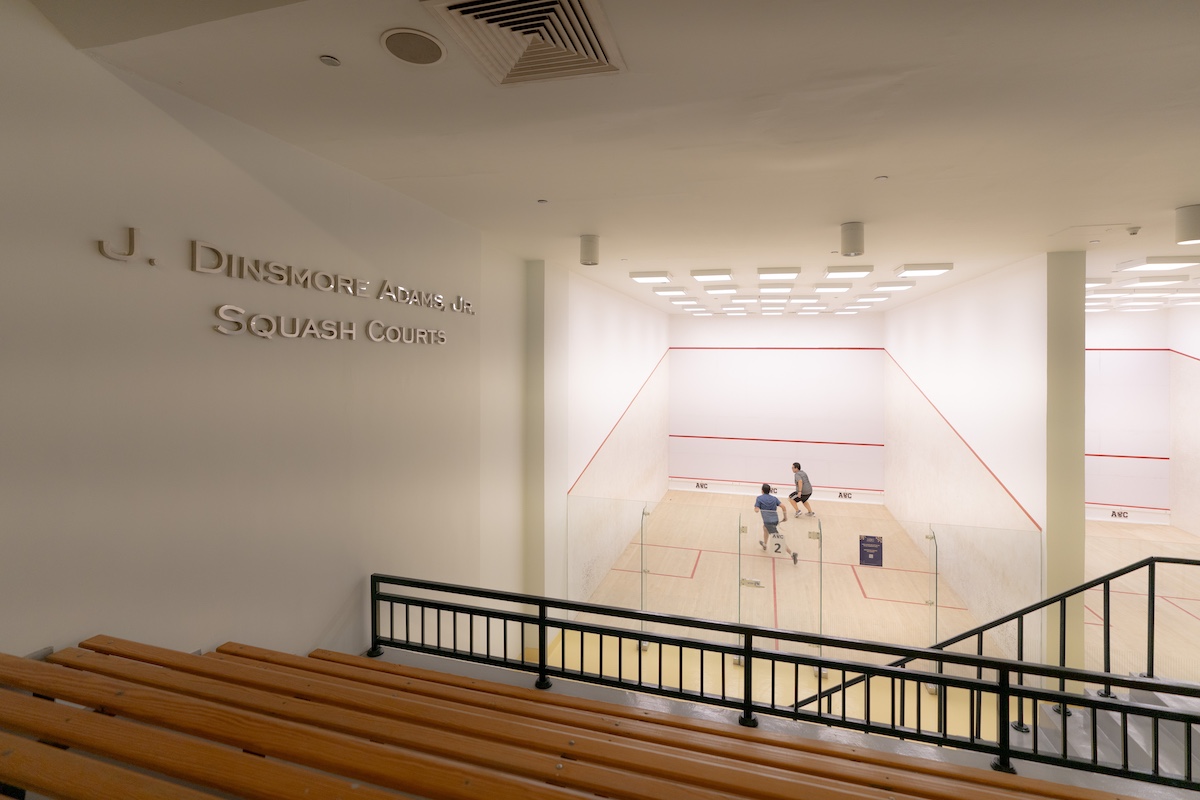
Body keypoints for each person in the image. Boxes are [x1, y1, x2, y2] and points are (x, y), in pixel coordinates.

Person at [754, 483, 798, 564]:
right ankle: (765, 544)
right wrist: (785, 517)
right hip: (775, 520)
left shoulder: (759, 498)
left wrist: (757, 509)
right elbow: (783, 506)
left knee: (777, 538)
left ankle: (792, 554)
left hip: (768, 521)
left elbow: (756, 510)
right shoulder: (774, 498)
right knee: (764, 528)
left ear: (762, 490)